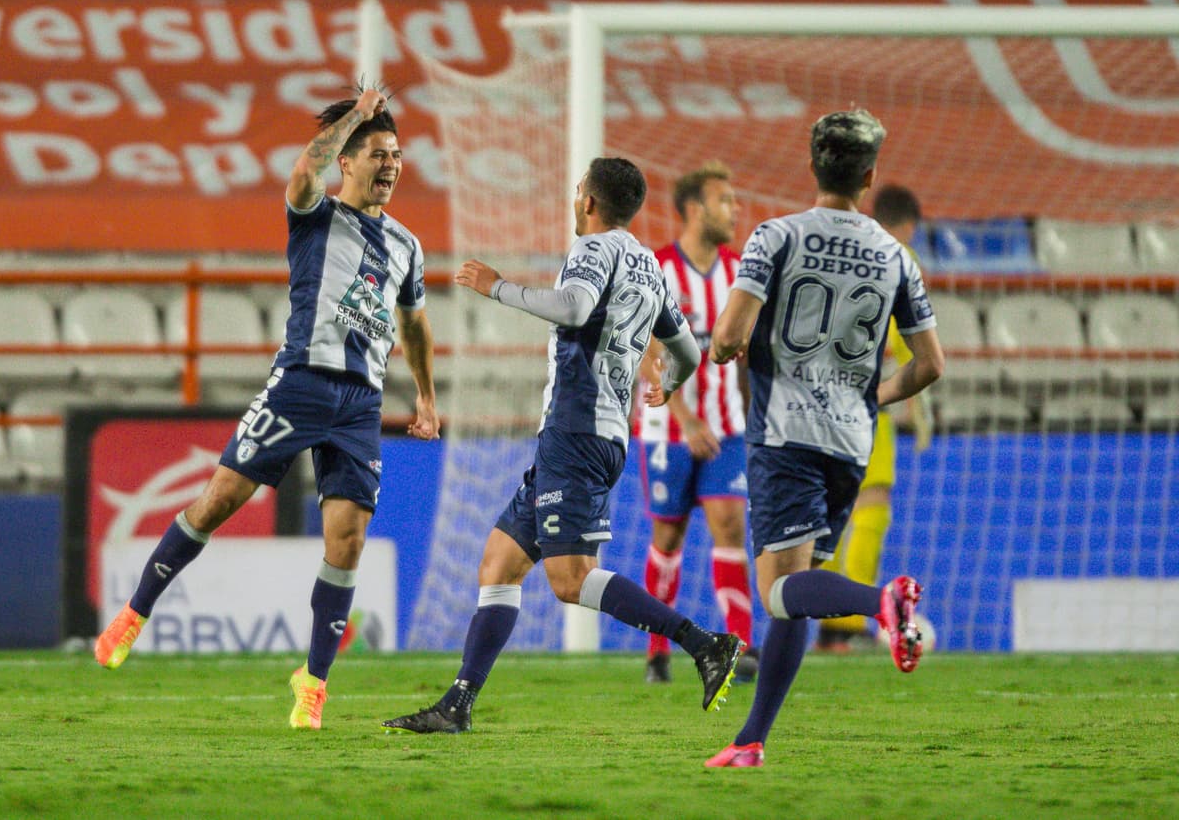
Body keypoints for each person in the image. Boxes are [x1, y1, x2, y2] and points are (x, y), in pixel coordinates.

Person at [94, 88, 441, 731]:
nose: (391, 164)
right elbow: (305, 171)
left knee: (349, 538)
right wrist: (355, 117)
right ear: (350, 160)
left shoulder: (407, 246)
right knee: (219, 501)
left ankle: (312, 684)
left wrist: (424, 392)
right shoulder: (314, 214)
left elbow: (414, 326)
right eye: (378, 153)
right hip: (300, 385)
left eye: (397, 155)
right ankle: (134, 614)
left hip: (360, 401)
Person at [382, 157, 744, 735]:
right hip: (594, 435)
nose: (575, 200)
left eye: (578, 191)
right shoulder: (651, 267)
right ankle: (458, 704)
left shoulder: (594, 249)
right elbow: (689, 353)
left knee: (571, 580)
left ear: (591, 203)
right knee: (498, 564)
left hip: (577, 430)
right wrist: (666, 387)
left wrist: (495, 286)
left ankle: (703, 643)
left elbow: (574, 307)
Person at [703, 109, 945, 768]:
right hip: (852, 442)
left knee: (780, 590)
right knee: (797, 588)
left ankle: (882, 602)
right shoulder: (896, 255)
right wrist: (874, 396)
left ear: (813, 166)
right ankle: (752, 739)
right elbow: (929, 364)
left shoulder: (775, 236)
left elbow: (726, 337)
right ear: (870, 176)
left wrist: (731, 351)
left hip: (786, 434)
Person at [634, 161, 759, 685]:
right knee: (668, 535)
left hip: (727, 425)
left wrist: (754, 418)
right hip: (669, 429)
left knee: (730, 524)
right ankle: (657, 650)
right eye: (723, 200)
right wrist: (684, 417)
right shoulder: (658, 268)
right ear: (692, 209)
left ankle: (743, 645)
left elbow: (748, 356)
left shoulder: (739, 272)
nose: (734, 210)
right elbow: (645, 348)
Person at [815, 183, 934, 653]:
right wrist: (918, 406)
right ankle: (847, 628)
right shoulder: (900, 257)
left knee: (828, 516)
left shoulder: (841, 251)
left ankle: (825, 623)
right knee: (872, 506)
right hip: (866, 400)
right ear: (910, 225)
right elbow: (914, 345)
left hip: (817, 401)